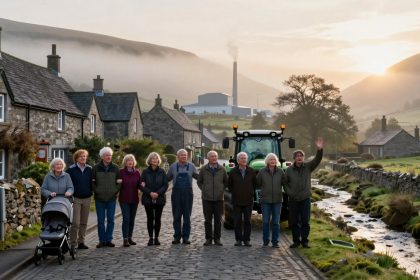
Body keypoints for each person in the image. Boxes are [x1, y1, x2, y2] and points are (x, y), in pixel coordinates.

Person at [285, 137, 324, 249]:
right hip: (293, 200)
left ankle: (305, 241)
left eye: (301, 156)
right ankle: (296, 241)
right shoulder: (289, 170)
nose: (299, 158)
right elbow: (284, 183)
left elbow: (317, 159)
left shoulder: (308, 167)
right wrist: (289, 192)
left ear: (303, 158)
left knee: (305, 222)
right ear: (294, 158)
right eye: (297, 156)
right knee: (294, 222)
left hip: (305, 199)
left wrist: (320, 149)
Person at [167, 149, 198, 244]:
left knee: (187, 217)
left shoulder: (192, 166)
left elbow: (199, 178)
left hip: (188, 194)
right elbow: (166, 179)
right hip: (176, 194)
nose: (183, 156)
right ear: (178, 156)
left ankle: (185, 237)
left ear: (187, 156)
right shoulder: (173, 167)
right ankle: (177, 236)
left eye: (185, 155)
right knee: (176, 216)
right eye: (181, 155)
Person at [92, 147, 121, 248]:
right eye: (107, 155)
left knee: (111, 220)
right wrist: (97, 191)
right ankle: (101, 240)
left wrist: (115, 191)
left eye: (110, 155)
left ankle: (109, 239)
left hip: (111, 198)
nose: (109, 157)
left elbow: (119, 182)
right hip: (99, 198)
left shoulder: (116, 168)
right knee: (100, 220)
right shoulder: (96, 168)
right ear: (102, 156)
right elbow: (92, 183)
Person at [197, 150, 228, 246]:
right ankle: (208, 239)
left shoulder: (222, 169)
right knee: (207, 220)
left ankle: (217, 239)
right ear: (208, 158)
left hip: (219, 199)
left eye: (215, 156)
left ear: (217, 158)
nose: (214, 158)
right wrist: (204, 190)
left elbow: (226, 182)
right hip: (207, 199)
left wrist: (221, 190)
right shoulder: (203, 169)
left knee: (218, 220)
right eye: (212, 156)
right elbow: (199, 181)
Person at [228, 152, 257, 247]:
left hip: (248, 200)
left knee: (248, 221)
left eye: (245, 158)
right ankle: (238, 240)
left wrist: (250, 193)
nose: (244, 160)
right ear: (238, 160)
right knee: (237, 221)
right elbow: (230, 185)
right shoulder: (233, 172)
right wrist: (236, 193)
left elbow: (254, 184)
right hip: (237, 201)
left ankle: (247, 240)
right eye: (242, 158)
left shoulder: (251, 171)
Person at [256, 153, 285, 248]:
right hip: (265, 201)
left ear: (276, 161)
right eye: (270, 159)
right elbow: (257, 183)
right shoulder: (262, 172)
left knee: (276, 222)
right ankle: (265, 240)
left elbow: (285, 183)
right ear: (267, 161)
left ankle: (275, 241)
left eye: (274, 159)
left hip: (277, 200)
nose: (272, 161)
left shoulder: (280, 172)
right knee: (265, 221)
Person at [140, 152, 168, 246]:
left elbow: (165, 185)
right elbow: (142, 185)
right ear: (150, 160)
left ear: (158, 160)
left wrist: (158, 193)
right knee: (150, 218)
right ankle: (150, 238)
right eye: (153, 158)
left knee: (158, 219)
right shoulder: (145, 172)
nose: (154, 160)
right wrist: (150, 193)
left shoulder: (162, 171)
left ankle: (156, 238)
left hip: (159, 198)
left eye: (156, 158)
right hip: (148, 198)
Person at [67, 149, 92, 250]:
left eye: (85, 156)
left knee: (84, 222)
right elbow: (68, 183)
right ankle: (73, 243)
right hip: (76, 198)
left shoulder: (90, 169)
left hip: (87, 198)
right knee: (75, 222)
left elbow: (93, 182)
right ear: (76, 158)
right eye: (81, 156)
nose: (83, 158)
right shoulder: (71, 170)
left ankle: (81, 242)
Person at [119, 154, 141, 247]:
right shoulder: (121, 172)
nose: (130, 162)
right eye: (128, 160)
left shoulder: (137, 173)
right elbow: (118, 184)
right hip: (124, 199)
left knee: (132, 219)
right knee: (126, 218)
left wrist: (143, 186)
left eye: (131, 160)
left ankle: (130, 237)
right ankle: (125, 239)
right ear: (125, 162)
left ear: (134, 162)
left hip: (134, 199)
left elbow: (139, 184)